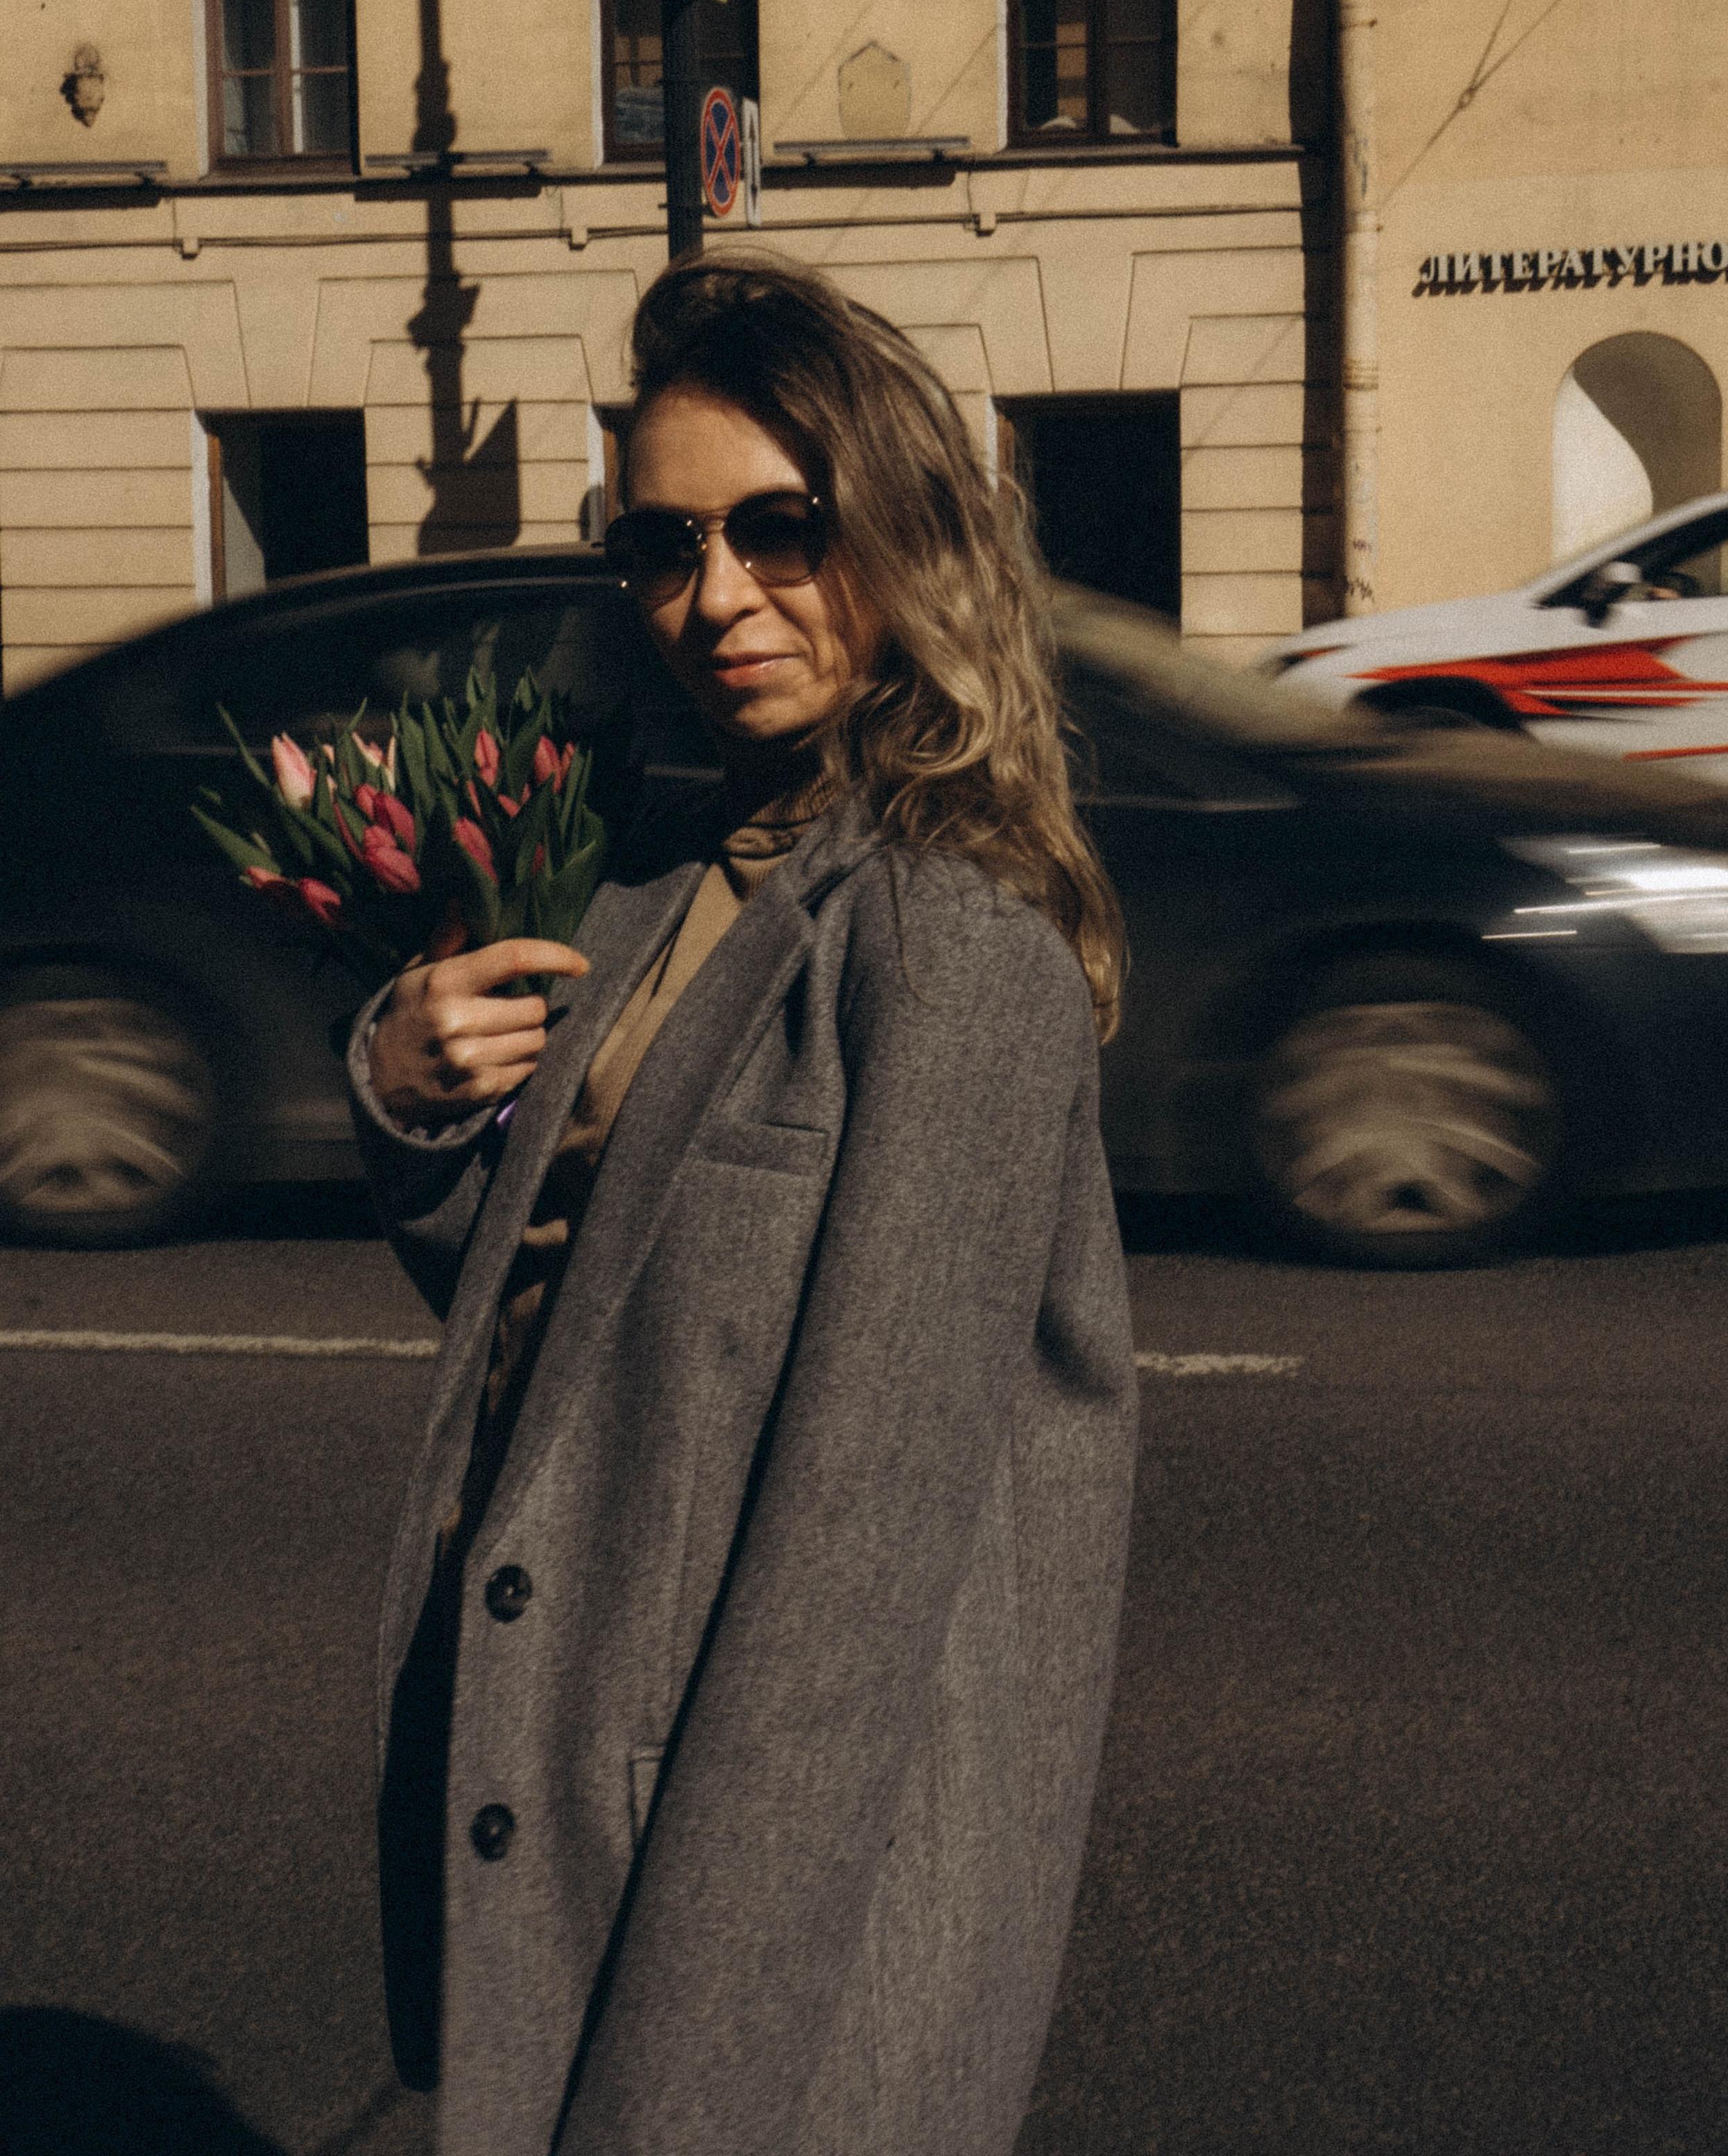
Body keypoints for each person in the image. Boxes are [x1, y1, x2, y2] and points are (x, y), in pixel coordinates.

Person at [347, 250, 1138, 2156]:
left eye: (781, 531)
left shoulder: (951, 941)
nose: (716, 599)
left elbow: (843, 1601)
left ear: (898, 527)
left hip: (759, 1917)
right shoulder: (656, 874)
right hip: (597, 1777)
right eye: (663, 548)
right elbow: (547, 1304)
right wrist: (403, 1078)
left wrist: (670, 2099)